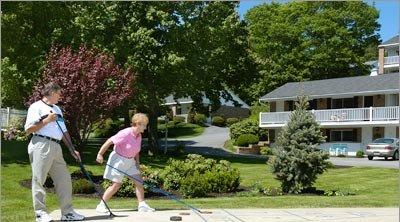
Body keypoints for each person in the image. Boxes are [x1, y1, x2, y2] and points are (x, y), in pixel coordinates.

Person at [24, 82, 85, 222]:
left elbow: (63, 131)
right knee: (39, 179)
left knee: (64, 179)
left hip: (56, 147)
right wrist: (46, 120)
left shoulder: (57, 108)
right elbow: (28, 129)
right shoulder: (36, 107)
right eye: (59, 93)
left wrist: (71, 149)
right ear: (51, 93)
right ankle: (40, 213)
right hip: (41, 143)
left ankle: (67, 213)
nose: (60, 96)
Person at [95, 113, 155, 213]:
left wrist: (137, 163)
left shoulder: (139, 135)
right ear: (138, 124)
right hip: (118, 160)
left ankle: (142, 205)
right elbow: (110, 141)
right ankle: (101, 205)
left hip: (130, 161)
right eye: (144, 125)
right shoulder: (126, 133)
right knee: (116, 185)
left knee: (139, 182)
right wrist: (100, 154)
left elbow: (136, 150)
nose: (145, 127)